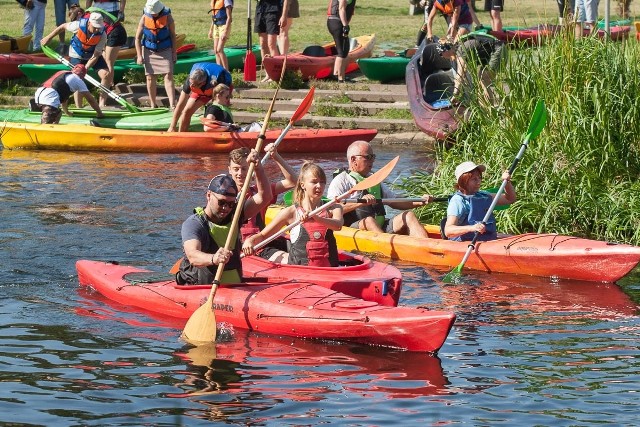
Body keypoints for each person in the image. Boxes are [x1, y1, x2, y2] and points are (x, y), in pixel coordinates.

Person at [175, 159, 271, 286]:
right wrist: (213, 258)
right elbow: (193, 256)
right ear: (209, 195)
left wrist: (258, 169)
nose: (226, 208)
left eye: (231, 204)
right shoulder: (194, 223)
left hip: (234, 287)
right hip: (200, 287)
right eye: (221, 202)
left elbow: (265, 197)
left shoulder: (235, 215)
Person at [243, 162, 343, 267]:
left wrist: (316, 218)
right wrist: (250, 240)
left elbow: (338, 225)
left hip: (331, 269)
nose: (319, 186)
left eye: (322, 182)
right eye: (314, 182)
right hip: (298, 268)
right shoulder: (290, 212)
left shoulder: (333, 207)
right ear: (302, 184)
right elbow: (263, 235)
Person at [327, 140, 434, 238]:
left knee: (409, 215)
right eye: (368, 157)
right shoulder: (341, 180)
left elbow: (395, 201)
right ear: (353, 159)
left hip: (379, 228)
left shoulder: (373, 179)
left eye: (373, 156)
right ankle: (388, 247)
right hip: (353, 230)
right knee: (370, 221)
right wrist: (360, 203)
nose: (372, 161)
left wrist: (420, 201)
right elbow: (330, 210)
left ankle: (428, 248)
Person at [229, 144, 297, 262]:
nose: (240, 173)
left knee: (301, 251)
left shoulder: (260, 190)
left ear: (251, 170)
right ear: (229, 169)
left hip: (264, 242)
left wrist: (276, 156)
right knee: (289, 260)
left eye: (244, 169)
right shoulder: (225, 197)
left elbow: (293, 182)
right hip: (247, 249)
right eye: (236, 169)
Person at [41, 11, 110, 108]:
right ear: (89, 23)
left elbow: (96, 55)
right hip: (77, 54)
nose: (96, 30)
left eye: (98, 27)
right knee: (77, 78)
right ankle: (79, 106)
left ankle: (102, 103)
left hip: (92, 55)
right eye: (94, 27)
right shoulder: (77, 25)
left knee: (106, 74)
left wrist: (85, 68)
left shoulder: (102, 35)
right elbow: (63, 26)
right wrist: (49, 37)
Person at [444, 161, 516, 241]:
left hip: (487, 238)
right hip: (467, 242)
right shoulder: (458, 201)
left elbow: (509, 199)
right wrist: (472, 228)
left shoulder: (483, 195)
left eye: (479, 178)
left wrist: (506, 183)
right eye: (474, 179)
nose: (478, 182)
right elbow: (448, 231)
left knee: (511, 237)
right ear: (463, 181)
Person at [437, 33, 506, 105]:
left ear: (446, 50)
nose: (442, 57)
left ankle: (490, 111)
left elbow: (460, 75)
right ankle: (485, 110)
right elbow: (464, 76)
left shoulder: (461, 50)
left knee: (484, 80)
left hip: (498, 49)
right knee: (480, 83)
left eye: (441, 54)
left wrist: (455, 95)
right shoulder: (459, 48)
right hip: (492, 51)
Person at [134, 0, 177, 109]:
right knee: (150, 77)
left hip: (165, 48)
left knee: (168, 74)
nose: (153, 14)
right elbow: (137, 38)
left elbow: (173, 35)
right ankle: (153, 104)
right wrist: (139, 55)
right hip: (149, 50)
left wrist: (174, 52)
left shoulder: (168, 17)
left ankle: (172, 104)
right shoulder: (144, 17)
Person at [85, 0, 128, 106]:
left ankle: (106, 93)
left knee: (108, 62)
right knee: (103, 57)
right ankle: (107, 85)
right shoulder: (87, 20)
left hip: (114, 26)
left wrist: (121, 11)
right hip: (99, 14)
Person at [168, 62, 232, 132]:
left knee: (216, 111)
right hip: (203, 90)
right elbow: (180, 104)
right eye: (191, 83)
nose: (191, 86)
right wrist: (172, 126)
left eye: (194, 85)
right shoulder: (191, 81)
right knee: (186, 111)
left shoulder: (219, 79)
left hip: (220, 89)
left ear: (203, 83)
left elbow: (224, 96)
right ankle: (181, 135)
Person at [32, 63, 104, 123]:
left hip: (38, 94)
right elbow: (90, 99)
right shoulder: (78, 80)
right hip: (49, 98)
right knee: (48, 124)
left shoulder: (63, 73)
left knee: (58, 113)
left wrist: (67, 112)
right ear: (83, 75)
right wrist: (99, 113)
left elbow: (64, 97)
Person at [326, 0, 356, 83]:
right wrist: (345, 26)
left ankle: (337, 75)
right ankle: (340, 79)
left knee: (345, 49)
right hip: (336, 23)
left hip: (336, 22)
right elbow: (341, 8)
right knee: (342, 52)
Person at [255, 0, 282, 81]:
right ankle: (268, 74)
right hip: (260, 9)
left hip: (273, 9)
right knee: (263, 44)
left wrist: (283, 15)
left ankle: (276, 74)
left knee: (271, 44)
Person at [208, 0, 233, 71]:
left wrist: (225, 31)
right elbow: (214, 16)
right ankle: (219, 71)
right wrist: (211, 29)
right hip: (216, 26)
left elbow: (229, 17)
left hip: (224, 26)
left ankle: (226, 71)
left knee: (219, 49)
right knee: (216, 50)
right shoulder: (215, 1)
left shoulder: (227, 1)